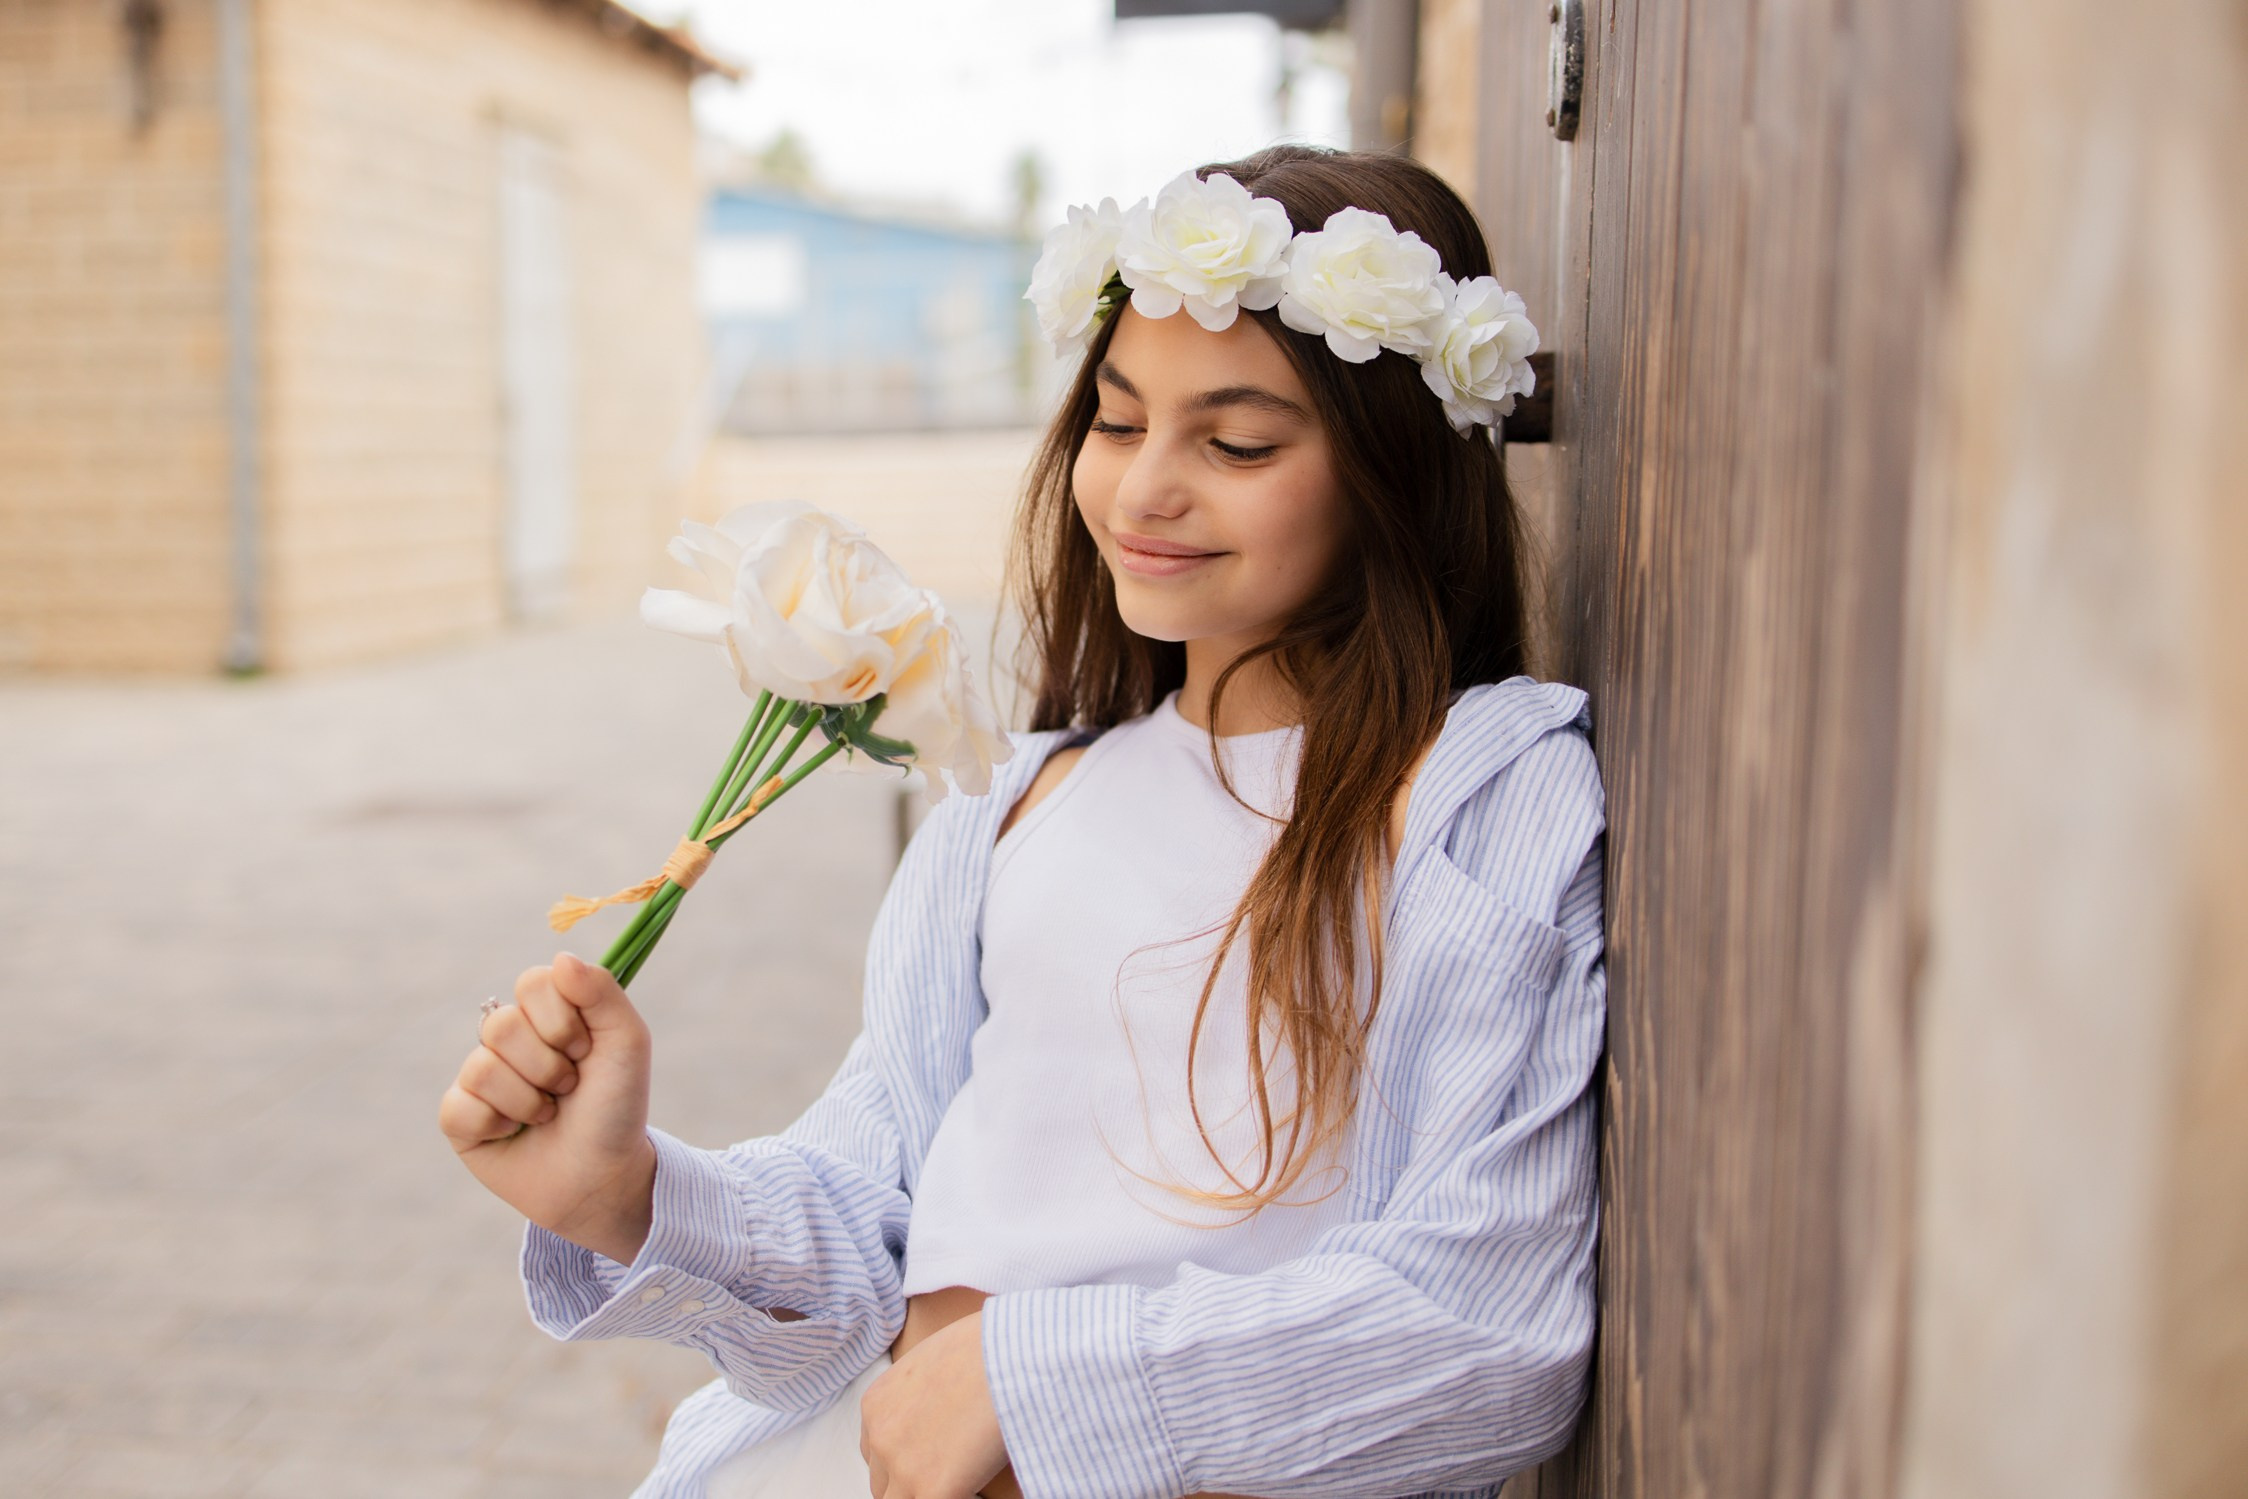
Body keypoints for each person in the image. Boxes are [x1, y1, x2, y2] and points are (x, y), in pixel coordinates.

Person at [438, 144, 1607, 1499]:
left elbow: (1490, 1324)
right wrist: (630, 1194)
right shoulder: (1016, 804)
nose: (1147, 489)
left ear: (1393, 470)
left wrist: (1031, 1379)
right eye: (1117, 422)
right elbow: (879, 1222)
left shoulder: (1475, 799)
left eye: (1236, 443)